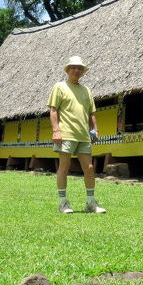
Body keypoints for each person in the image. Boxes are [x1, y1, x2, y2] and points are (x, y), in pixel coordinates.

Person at [48, 56, 106, 214]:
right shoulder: (59, 86)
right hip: (66, 133)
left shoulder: (86, 90)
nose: (76, 70)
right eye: (73, 67)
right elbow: (53, 110)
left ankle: (90, 202)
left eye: (79, 68)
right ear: (68, 70)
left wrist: (96, 129)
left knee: (89, 167)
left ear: (82, 72)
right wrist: (56, 130)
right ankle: (63, 202)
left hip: (83, 135)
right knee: (64, 167)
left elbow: (91, 112)